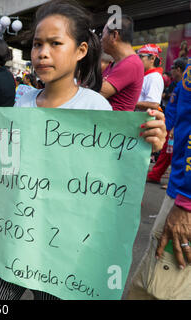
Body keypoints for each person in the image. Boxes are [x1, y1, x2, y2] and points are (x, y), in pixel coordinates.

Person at [0, 0, 166, 300]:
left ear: (81, 50)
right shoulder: (22, 101)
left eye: (55, 43)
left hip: (64, 251)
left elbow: (113, 182)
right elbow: (4, 162)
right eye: (38, 44)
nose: (42, 52)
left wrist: (147, 146)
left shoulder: (95, 108)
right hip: (15, 234)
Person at [126, 58, 191, 300]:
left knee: (159, 290)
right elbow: (176, 112)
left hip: (184, 201)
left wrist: (186, 201)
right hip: (179, 191)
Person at [147, 57, 188, 186]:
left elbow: (183, 109)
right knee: (167, 154)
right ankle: (156, 175)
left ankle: (170, 181)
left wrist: (175, 127)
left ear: (179, 70)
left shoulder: (185, 86)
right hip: (169, 124)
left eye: (174, 70)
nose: (172, 73)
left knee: (172, 154)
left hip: (174, 127)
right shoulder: (180, 85)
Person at [100, 14, 144, 111]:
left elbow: (96, 94)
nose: (101, 39)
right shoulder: (115, 64)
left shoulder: (131, 64)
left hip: (115, 125)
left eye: (102, 34)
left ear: (114, 35)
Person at [135, 44, 164, 111]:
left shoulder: (154, 77)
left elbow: (154, 104)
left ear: (152, 58)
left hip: (146, 120)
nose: (138, 60)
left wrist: (131, 102)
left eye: (141, 57)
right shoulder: (147, 76)